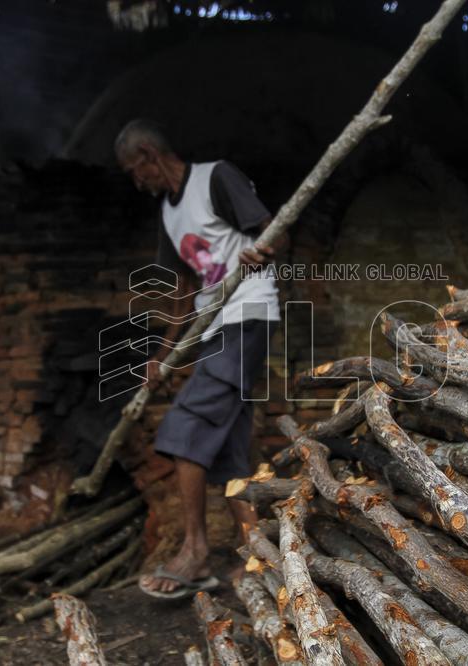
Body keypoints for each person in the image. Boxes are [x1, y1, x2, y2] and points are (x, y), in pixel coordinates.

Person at [114, 119, 283, 599]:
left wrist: (263, 252)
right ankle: (256, 555)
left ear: (149, 154)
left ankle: (195, 551)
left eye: (134, 170)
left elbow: (276, 232)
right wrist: (161, 356)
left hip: (248, 313)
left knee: (186, 427)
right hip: (213, 328)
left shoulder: (216, 177)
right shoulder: (169, 214)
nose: (136, 181)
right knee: (230, 447)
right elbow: (185, 292)